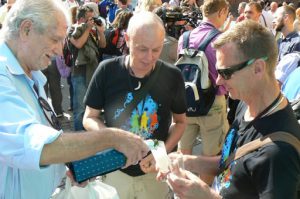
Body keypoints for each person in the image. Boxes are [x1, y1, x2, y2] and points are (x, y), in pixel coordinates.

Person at [0, 0, 149, 198]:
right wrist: (111, 138)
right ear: (26, 29)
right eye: (55, 39)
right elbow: (35, 145)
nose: (59, 51)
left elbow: (44, 142)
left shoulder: (31, 73)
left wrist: (67, 165)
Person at [162, 20, 300, 199]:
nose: (218, 81)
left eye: (225, 72)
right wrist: (186, 161)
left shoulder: (279, 152)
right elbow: (233, 162)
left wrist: (207, 196)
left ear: (258, 68)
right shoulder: (245, 102)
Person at [83, 11, 187, 199]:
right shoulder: (107, 70)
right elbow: (89, 117)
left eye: (156, 50)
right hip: (116, 171)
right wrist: (115, 140)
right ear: (127, 39)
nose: (149, 57)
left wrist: (160, 153)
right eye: (142, 49)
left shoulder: (173, 75)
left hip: (154, 174)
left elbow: (180, 122)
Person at [177, 0, 229, 185]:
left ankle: (183, 191)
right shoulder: (220, 39)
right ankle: (202, 192)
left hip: (187, 101)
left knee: (184, 152)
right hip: (212, 103)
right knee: (210, 156)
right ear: (222, 11)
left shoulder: (184, 37)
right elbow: (223, 74)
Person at [69, 5, 106, 131]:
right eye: (89, 18)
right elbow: (78, 44)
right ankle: (80, 135)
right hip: (79, 72)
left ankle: (89, 134)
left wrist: (100, 31)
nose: (92, 20)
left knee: (92, 106)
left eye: (93, 18)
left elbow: (103, 45)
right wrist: (87, 29)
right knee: (80, 108)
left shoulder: (91, 30)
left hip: (93, 70)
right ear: (82, 18)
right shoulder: (73, 29)